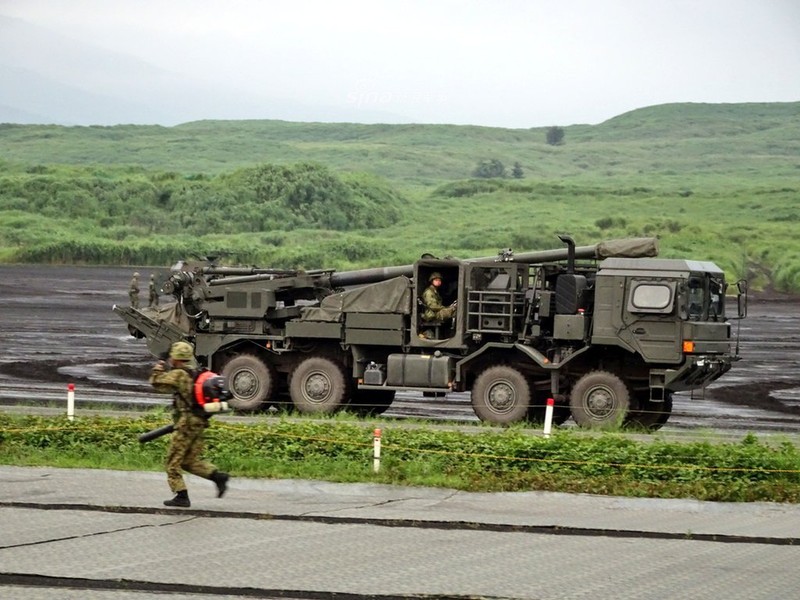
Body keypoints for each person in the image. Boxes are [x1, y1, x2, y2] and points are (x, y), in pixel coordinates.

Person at [150, 340, 229, 507]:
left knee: (172, 462)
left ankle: (181, 496)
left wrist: (160, 364)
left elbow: (156, 382)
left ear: (175, 358)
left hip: (185, 425)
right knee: (188, 461)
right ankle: (218, 477)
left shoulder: (179, 374)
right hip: (199, 422)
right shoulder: (194, 373)